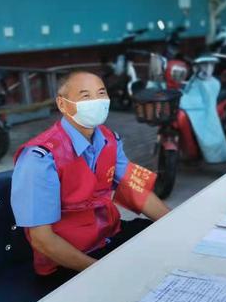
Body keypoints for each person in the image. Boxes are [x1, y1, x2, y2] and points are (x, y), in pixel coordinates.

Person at [11, 70, 170, 290]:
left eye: (101, 93)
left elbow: (136, 190)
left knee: (166, 244)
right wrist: (100, 271)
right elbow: (42, 240)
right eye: (85, 96)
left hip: (108, 235)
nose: (96, 101)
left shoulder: (108, 139)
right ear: (63, 104)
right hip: (67, 260)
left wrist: (176, 221)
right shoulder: (40, 158)